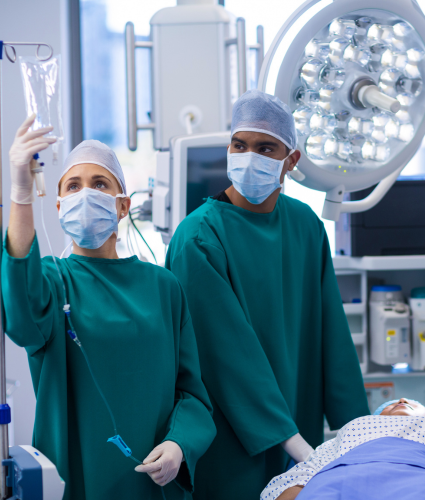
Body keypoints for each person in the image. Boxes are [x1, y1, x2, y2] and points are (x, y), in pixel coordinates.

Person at [165, 90, 369, 500]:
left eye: (265, 147)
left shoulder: (305, 225)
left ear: (290, 161)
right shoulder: (200, 238)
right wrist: (292, 442)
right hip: (230, 436)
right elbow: (225, 356)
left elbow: (331, 333)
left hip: (300, 429)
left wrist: (360, 437)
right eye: (240, 145)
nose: (249, 156)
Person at [2, 115, 216, 500]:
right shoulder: (54, 282)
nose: (86, 194)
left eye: (99, 184)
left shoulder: (163, 287)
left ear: (122, 206)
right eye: (74, 186)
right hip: (75, 481)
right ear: (59, 205)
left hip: (154, 483)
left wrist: (180, 445)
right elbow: (20, 313)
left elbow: (193, 395)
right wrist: (20, 192)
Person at [263, 398, 425, 500]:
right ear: (375, 418)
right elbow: (307, 473)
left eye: (413, 404)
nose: (402, 400)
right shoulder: (355, 428)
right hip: (337, 481)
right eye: (390, 404)